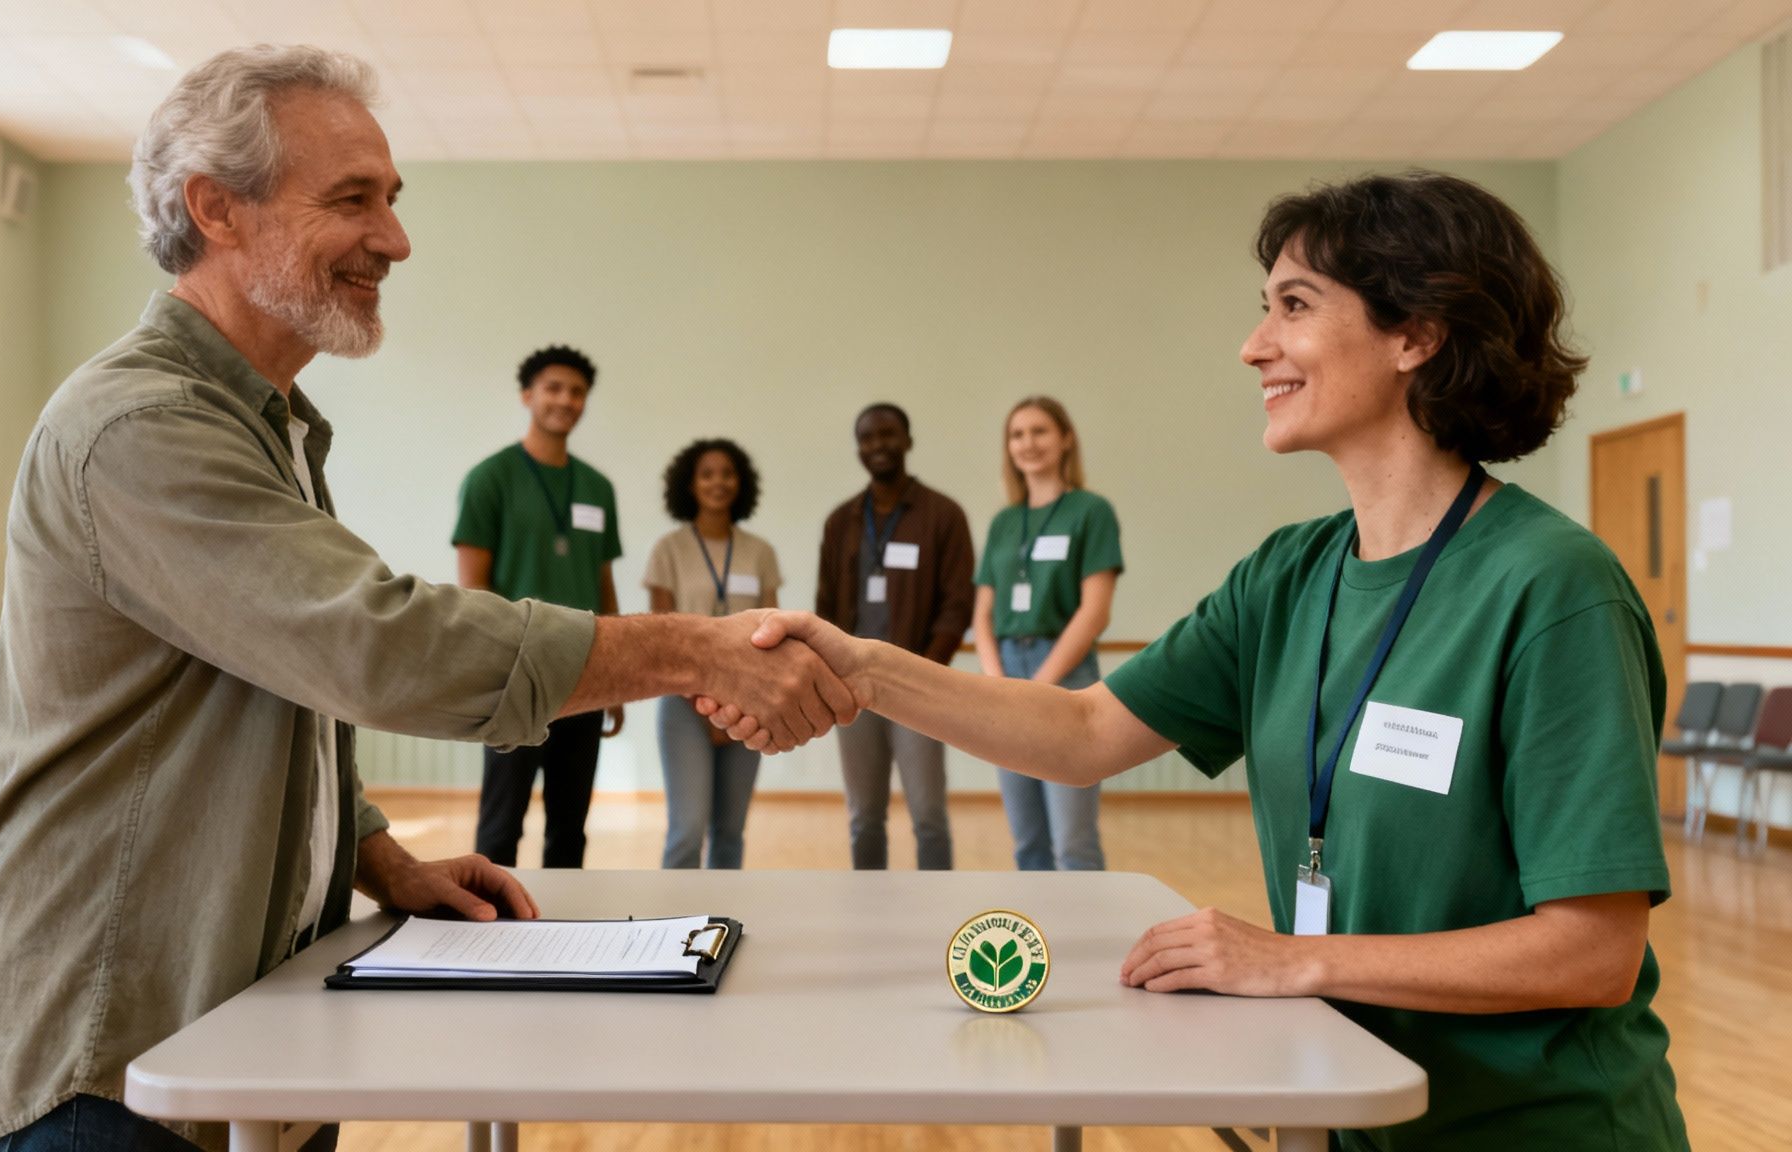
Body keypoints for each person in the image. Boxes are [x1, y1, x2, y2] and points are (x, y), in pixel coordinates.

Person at [0, 46, 851, 1152]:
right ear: (215, 210)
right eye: (352, 200)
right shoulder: (142, 427)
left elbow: (284, 686)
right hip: (120, 1059)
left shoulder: (269, 424)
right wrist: (691, 652)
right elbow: (374, 643)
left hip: (255, 1026)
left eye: (391, 199)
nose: (395, 238)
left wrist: (378, 857)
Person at [718, 172, 1688, 1148]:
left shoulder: (1552, 589)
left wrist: (1299, 962)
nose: (1252, 345)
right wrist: (866, 669)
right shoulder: (1286, 575)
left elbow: (1589, 952)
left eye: (1293, 308)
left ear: (1415, 335)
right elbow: (1085, 730)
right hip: (1343, 1111)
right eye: (1260, 310)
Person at [454, 345, 622, 870]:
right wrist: (488, 671)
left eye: (576, 391)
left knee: (570, 829)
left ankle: (562, 936)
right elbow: (473, 589)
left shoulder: (598, 488)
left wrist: (621, 672)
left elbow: (603, 581)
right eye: (553, 388)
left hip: (587, 672)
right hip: (516, 676)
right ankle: (487, 935)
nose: (565, 400)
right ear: (528, 395)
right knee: (501, 825)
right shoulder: (490, 479)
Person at [815, 403, 975, 870]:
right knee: (864, 816)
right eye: (867, 437)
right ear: (858, 449)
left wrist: (921, 674)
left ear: (907, 440)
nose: (878, 445)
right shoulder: (841, 521)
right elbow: (824, 604)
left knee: (928, 815)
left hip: (917, 686)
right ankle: (872, 914)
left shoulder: (943, 515)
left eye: (888, 434)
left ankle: (939, 909)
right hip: (853, 687)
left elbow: (957, 603)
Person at [972, 396, 1123, 871]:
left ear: (1065, 439)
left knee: (1072, 841)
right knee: (1027, 841)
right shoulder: (1003, 521)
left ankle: (1088, 945)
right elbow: (982, 615)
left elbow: (1094, 612)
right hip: (1005, 674)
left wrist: (1038, 687)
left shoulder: (1091, 512)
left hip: (1067, 674)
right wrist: (998, 684)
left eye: (1039, 431)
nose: (1027, 443)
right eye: (1017, 434)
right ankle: (1039, 943)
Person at [644, 438, 781, 868]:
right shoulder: (669, 549)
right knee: (687, 830)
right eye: (707, 474)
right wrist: (706, 707)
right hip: (685, 703)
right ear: (689, 484)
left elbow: (773, 629)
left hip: (750, 701)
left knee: (730, 832)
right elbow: (662, 638)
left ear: (742, 483)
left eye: (727, 473)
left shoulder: (760, 552)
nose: (718, 482)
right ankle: (671, 928)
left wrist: (738, 704)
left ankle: (723, 926)